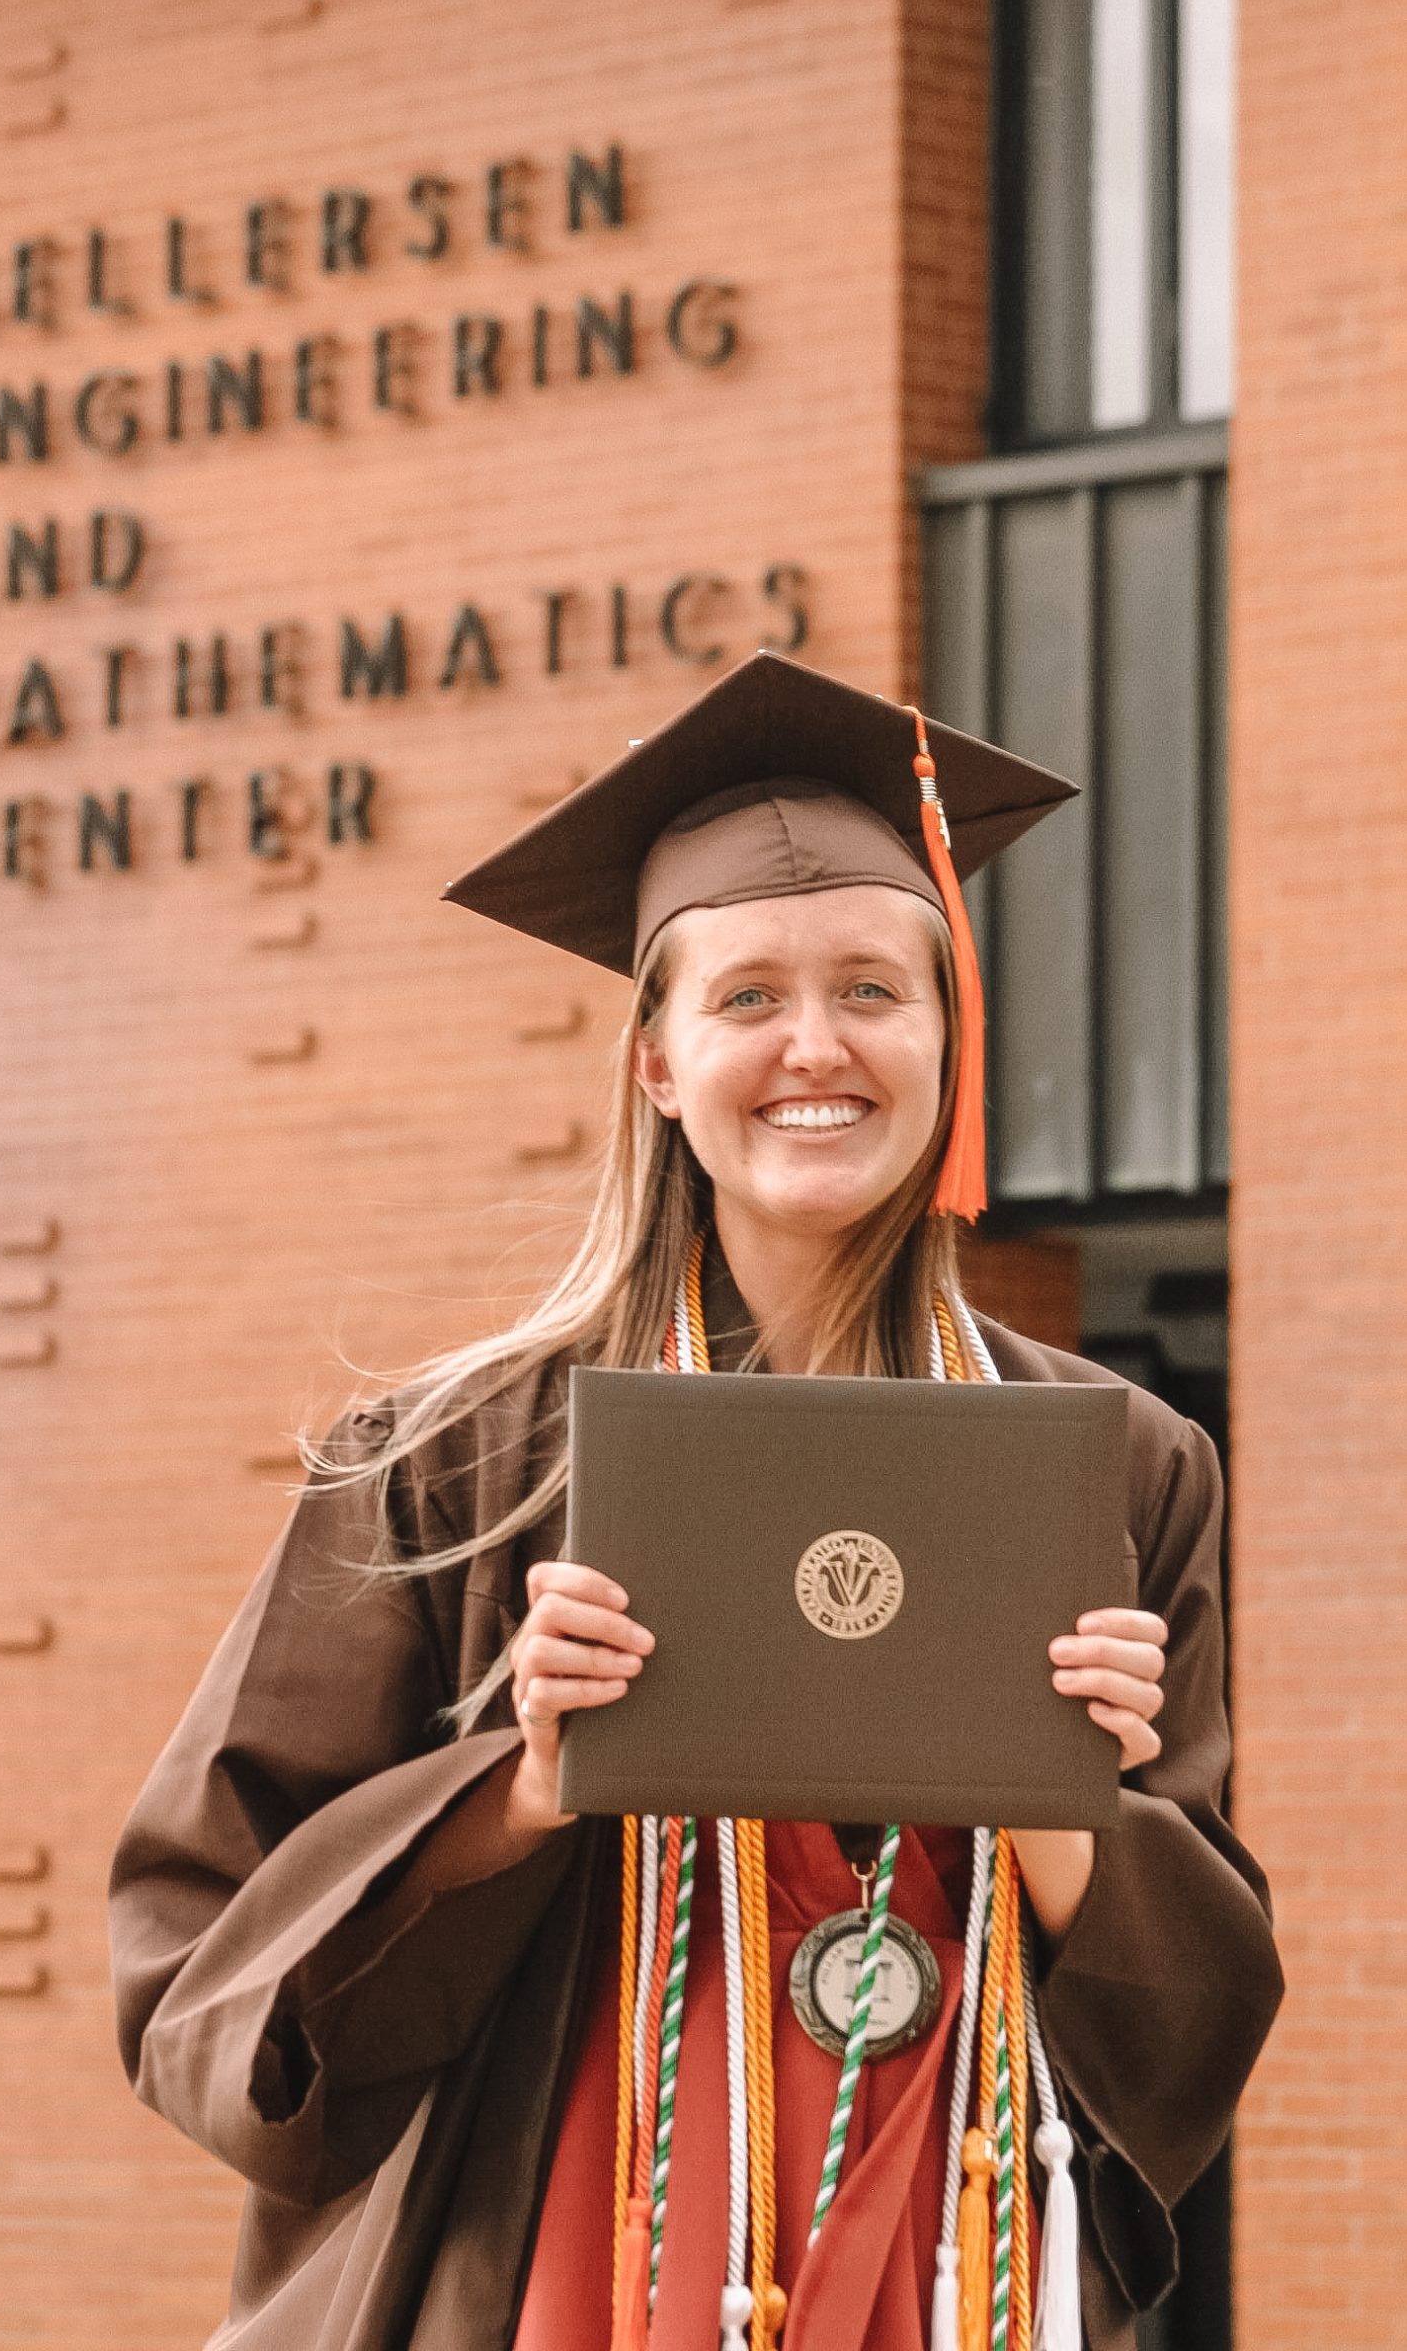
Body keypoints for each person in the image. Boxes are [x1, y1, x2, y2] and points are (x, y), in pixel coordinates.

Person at [108, 654, 1282, 2351]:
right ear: (657, 1062)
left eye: (878, 989)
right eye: (746, 1000)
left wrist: (1062, 1804)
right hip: (558, 2259)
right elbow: (199, 1978)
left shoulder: (1120, 1459)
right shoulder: (453, 1460)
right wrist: (513, 1795)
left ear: (950, 1040)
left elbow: (1195, 2036)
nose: (818, 1046)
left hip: (960, 2259)